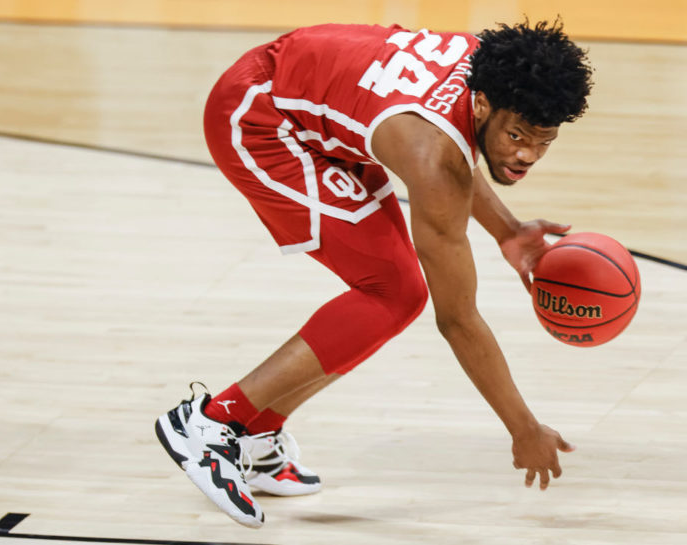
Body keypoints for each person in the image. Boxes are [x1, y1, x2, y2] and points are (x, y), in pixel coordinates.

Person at [155, 19, 593, 528]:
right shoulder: (431, 156)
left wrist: (508, 230)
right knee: (392, 292)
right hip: (259, 116)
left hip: (320, 103)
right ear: (481, 105)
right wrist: (523, 428)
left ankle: (256, 430)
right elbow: (457, 319)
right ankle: (211, 423)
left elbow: (454, 143)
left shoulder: (496, 68)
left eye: (544, 142)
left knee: (398, 292)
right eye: (517, 136)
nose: (526, 156)